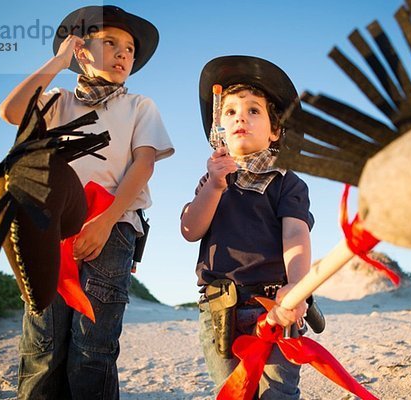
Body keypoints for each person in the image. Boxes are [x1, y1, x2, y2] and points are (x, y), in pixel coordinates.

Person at [0, 5, 174, 399]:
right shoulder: (57, 100)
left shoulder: (139, 105)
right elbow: (9, 112)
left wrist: (107, 220)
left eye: (129, 48)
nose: (124, 53)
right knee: (43, 345)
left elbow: (143, 165)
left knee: (92, 348)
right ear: (81, 51)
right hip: (49, 229)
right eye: (110, 42)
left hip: (111, 228)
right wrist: (58, 61)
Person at [180, 55, 314, 399]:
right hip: (219, 308)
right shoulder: (212, 180)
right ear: (218, 130)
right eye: (230, 111)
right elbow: (190, 230)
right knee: (233, 391)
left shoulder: (286, 182)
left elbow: (296, 235)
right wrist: (214, 186)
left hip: (276, 304)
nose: (240, 115)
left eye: (254, 110)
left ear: (274, 131)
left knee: (278, 392)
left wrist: (297, 286)